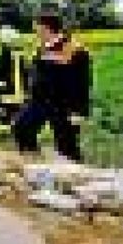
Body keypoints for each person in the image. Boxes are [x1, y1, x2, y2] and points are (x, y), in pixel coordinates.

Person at [13, 10, 92, 161]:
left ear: (46, 28)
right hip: (39, 101)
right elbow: (38, 74)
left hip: (64, 104)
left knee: (66, 145)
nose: (34, 31)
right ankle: (34, 162)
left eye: (36, 27)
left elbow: (83, 83)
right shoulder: (41, 48)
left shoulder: (75, 50)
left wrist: (79, 111)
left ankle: (75, 174)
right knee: (21, 127)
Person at [0, 25, 29, 134]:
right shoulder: (19, 53)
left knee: (8, 108)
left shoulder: (5, 55)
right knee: (13, 108)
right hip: (16, 87)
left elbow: (2, 72)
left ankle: (7, 127)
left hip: (10, 88)